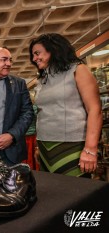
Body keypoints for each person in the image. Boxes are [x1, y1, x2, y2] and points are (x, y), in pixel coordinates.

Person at [29, 33, 102, 177]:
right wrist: (38, 146)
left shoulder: (78, 70)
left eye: (37, 53)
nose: (34, 58)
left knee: (75, 192)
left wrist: (90, 149)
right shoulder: (43, 78)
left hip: (72, 145)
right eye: (33, 55)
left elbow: (95, 109)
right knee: (54, 194)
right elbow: (43, 113)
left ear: (54, 49)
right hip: (45, 146)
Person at [23, 95, 39, 170]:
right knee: (30, 155)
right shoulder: (35, 108)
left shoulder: (22, 109)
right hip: (30, 136)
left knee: (28, 155)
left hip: (27, 137)